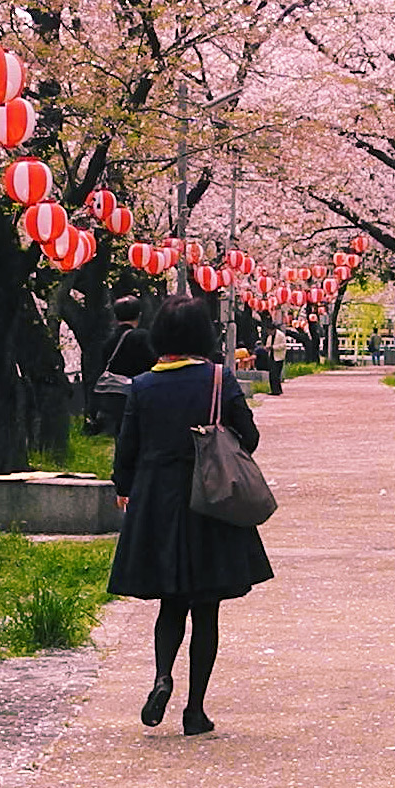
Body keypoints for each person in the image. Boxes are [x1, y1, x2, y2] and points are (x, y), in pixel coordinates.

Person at [107, 296, 270, 736]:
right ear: (202, 334)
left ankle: (162, 677)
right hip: (209, 503)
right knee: (207, 610)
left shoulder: (142, 385)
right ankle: (194, 710)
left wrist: (124, 487)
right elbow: (249, 438)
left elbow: (128, 447)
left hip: (159, 502)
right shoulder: (219, 379)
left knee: (170, 604)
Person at [92, 298, 155, 435]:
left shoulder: (109, 341)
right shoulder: (143, 337)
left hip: (117, 396)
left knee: (122, 433)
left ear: (115, 316)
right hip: (140, 393)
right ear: (139, 315)